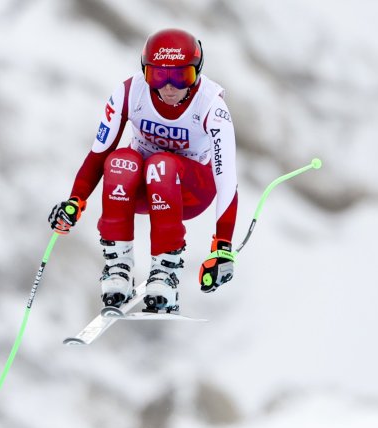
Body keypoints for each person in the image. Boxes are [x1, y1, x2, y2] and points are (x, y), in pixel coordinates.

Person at [48, 28, 238, 314]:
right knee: (119, 161)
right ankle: (118, 268)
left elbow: (226, 179)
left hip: (191, 192)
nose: (169, 87)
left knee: (161, 165)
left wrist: (222, 246)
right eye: (158, 76)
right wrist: (75, 201)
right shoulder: (130, 92)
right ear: (145, 72)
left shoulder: (211, 105)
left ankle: (165, 273)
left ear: (197, 73)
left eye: (180, 76)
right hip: (143, 190)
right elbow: (99, 153)